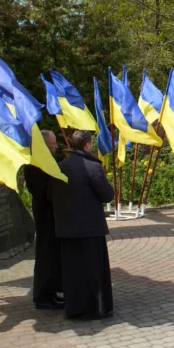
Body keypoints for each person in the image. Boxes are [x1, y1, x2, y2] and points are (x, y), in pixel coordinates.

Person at [52, 130, 114, 319]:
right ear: (87, 145)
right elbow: (108, 195)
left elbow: (50, 196)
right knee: (93, 271)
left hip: (67, 228)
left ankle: (74, 309)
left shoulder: (59, 167)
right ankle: (93, 309)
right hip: (89, 229)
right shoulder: (92, 167)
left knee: (72, 272)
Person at [24, 130, 63, 310]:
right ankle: (42, 296)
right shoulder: (36, 164)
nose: (56, 146)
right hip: (45, 215)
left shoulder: (44, 162)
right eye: (53, 144)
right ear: (45, 146)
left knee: (52, 255)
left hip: (50, 215)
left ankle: (52, 291)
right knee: (45, 255)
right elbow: (44, 191)